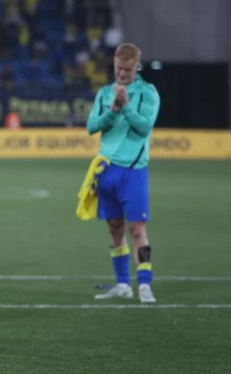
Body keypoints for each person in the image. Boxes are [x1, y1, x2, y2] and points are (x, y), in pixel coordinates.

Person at [85, 42, 160, 304]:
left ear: (137, 66)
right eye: (118, 68)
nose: (121, 73)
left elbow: (144, 127)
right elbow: (91, 126)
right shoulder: (105, 93)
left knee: (137, 229)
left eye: (127, 69)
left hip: (133, 171)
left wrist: (126, 106)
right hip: (107, 170)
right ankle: (122, 284)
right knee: (115, 228)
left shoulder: (147, 93)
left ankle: (145, 285)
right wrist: (113, 111)